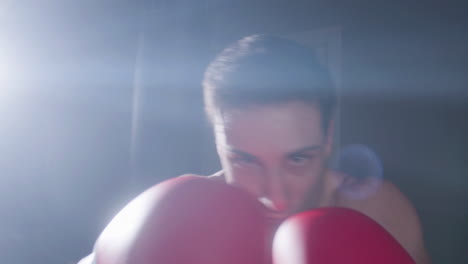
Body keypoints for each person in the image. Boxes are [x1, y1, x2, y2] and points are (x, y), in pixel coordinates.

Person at [79, 34, 430, 264]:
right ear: (218, 143)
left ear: (327, 139)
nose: (274, 197)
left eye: (297, 159)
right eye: (245, 160)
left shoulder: (379, 211)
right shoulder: (181, 213)